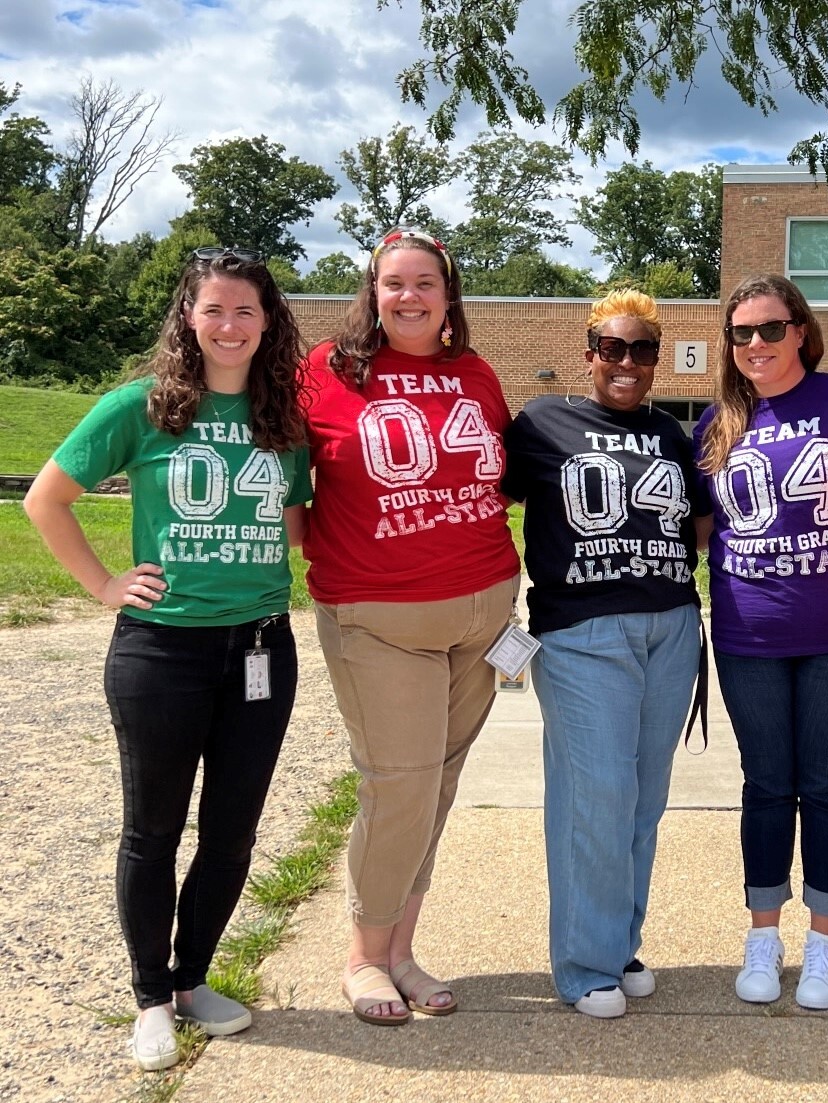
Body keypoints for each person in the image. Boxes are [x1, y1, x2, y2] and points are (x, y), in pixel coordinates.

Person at [23, 247, 312, 1072]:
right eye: (214, 309)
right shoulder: (141, 408)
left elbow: (296, 528)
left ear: (268, 323)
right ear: (189, 315)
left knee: (231, 833)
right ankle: (150, 994)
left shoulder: (280, 418)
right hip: (162, 650)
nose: (229, 325)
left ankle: (192, 980)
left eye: (246, 311)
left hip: (260, 644)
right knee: (152, 830)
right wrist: (103, 583)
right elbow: (47, 499)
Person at [301, 228, 520, 1026]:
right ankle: (362, 954)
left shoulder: (476, 373)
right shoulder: (327, 369)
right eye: (393, 283)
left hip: (484, 609)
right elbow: (288, 478)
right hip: (378, 617)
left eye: (425, 283)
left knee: (441, 784)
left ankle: (402, 950)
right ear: (372, 290)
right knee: (400, 785)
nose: (409, 297)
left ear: (448, 293)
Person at [502, 289, 703, 1019]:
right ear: (588, 353)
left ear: (656, 360)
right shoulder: (541, 423)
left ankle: (617, 943)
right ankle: (584, 963)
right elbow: (482, 503)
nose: (625, 361)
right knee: (596, 797)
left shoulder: (672, 434)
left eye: (641, 348)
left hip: (671, 627)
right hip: (581, 631)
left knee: (643, 798)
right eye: (610, 347)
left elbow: (702, 528)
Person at [694, 274, 828, 1011]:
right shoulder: (715, 423)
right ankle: (761, 935)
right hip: (747, 636)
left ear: (800, 331)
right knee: (766, 786)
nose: (754, 345)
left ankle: (825, 946)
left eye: (769, 329)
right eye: (740, 333)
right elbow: (701, 530)